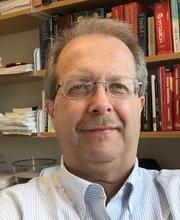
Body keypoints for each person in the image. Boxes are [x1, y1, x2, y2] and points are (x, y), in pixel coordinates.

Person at [0, 18, 180, 220]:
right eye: (78, 86)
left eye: (119, 85)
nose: (101, 104)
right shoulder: (13, 208)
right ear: (52, 111)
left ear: (140, 107)